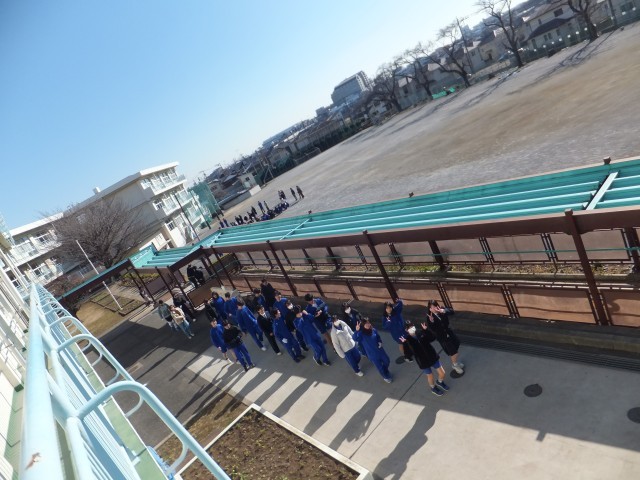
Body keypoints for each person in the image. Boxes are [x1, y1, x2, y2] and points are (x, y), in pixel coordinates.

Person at [400, 322, 450, 396]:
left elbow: (433, 338)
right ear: (406, 330)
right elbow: (408, 355)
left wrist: (426, 330)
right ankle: (433, 388)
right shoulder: (407, 340)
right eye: (409, 327)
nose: (412, 328)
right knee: (430, 376)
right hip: (423, 361)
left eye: (412, 326)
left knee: (442, 373)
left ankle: (440, 382)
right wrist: (405, 344)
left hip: (432, 357)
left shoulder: (421, 333)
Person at [425, 300, 464, 374]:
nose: (435, 308)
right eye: (432, 307)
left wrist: (444, 311)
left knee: (457, 344)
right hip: (442, 337)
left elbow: (452, 311)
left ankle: (455, 361)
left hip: (449, 332)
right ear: (430, 309)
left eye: (436, 306)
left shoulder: (441, 309)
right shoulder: (430, 317)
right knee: (453, 352)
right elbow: (432, 329)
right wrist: (432, 322)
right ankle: (455, 365)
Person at [353, 318, 392, 383]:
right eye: (366, 324)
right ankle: (386, 377)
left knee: (387, 361)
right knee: (380, 367)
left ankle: (385, 370)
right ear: (363, 325)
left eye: (368, 323)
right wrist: (356, 331)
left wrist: (380, 341)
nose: (368, 325)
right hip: (372, 354)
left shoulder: (373, 330)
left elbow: (378, 337)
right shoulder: (361, 334)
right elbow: (355, 338)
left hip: (380, 351)